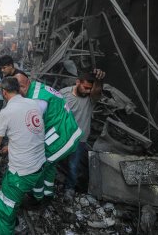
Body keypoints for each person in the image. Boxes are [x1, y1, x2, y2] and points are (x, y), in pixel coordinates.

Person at [0, 77, 45, 235]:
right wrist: (11, 146)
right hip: (40, 162)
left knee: (4, 207)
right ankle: (36, 200)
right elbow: (28, 130)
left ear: (4, 92)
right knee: (34, 186)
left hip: (21, 172)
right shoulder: (34, 104)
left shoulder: (7, 112)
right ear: (18, 89)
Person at [16, 73, 82, 202]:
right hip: (69, 130)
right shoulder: (38, 87)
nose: (20, 90)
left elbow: (33, 130)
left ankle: (37, 198)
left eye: (22, 87)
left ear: (28, 82)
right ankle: (48, 194)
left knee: (37, 165)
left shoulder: (36, 101)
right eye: (17, 88)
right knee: (50, 165)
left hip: (60, 137)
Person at [60, 70, 105, 200]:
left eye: (90, 89)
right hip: (63, 137)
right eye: (85, 88)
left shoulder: (90, 99)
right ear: (78, 82)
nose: (87, 91)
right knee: (52, 162)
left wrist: (99, 80)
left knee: (74, 165)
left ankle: (70, 188)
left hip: (79, 139)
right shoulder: (63, 94)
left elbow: (96, 92)